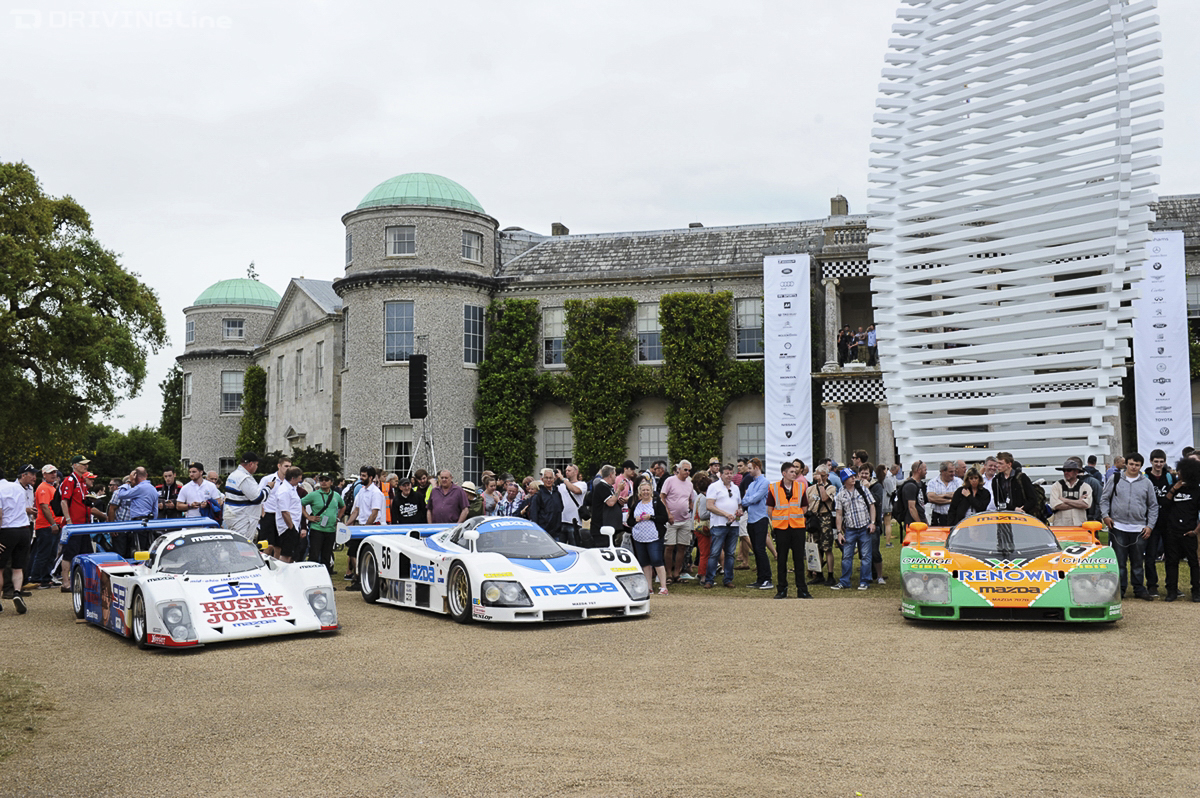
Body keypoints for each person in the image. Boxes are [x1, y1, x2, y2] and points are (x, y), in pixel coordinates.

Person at [1099, 453, 1157, 601]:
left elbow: (1153, 506)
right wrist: (1105, 516)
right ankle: (1120, 589)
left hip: (1139, 528)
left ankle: (1139, 589)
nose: (1133, 467)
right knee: (1119, 561)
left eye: (1137, 465)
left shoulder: (1147, 483)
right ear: (1126, 464)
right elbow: (1104, 499)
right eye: (1131, 464)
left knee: (1138, 562)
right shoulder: (1115, 479)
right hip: (1118, 526)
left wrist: (1150, 526)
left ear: (1141, 466)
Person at [1156, 457, 1199, 602]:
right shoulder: (1173, 487)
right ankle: (1171, 591)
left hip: (1190, 532)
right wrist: (1174, 489)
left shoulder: (1197, 491)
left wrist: (1196, 531)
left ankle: (1196, 591)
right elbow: (1164, 504)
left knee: (1193, 562)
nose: (1178, 473)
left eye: (1181, 471)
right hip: (1172, 532)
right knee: (1171, 562)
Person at [766, 461, 811, 598]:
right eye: (791, 472)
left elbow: (804, 507)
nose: (794, 473)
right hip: (781, 529)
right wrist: (778, 520)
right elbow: (769, 509)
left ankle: (802, 590)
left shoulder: (800, 487)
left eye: (795, 471)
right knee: (782, 560)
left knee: (799, 560)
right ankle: (782, 589)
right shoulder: (773, 488)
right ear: (784, 473)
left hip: (797, 527)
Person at [0, 466, 39, 613]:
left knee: (1, 567)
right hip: (23, 529)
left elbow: (0, 515)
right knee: (18, 567)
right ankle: (17, 592)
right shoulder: (17, 488)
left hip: (7, 529)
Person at [626, 480, 668, 596]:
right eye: (643, 490)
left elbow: (664, 518)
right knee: (644, 562)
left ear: (651, 491)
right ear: (640, 492)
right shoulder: (636, 505)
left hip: (654, 536)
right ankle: (649, 587)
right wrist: (636, 520)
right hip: (639, 537)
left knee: (656, 560)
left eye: (647, 490)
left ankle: (663, 587)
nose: (645, 492)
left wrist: (651, 517)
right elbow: (629, 521)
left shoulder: (656, 503)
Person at [1142, 449, 1174, 598]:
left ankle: (1172, 586)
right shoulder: (1145, 478)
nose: (1159, 464)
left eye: (1161, 461)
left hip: (1168, 522)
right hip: (1151, 522)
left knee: (1171, 556)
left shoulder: (1169, 477)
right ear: (1151, 461)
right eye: (1156, 461)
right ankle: (1152, 585)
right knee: (1150, 556)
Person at [704, 464, 742, 590]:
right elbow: (709, 506)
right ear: (721, 474)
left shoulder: (736, 488)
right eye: (726, 473)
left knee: (730, 553)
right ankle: (709, 579)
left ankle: (728, 579)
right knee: (714, 553)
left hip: (734, 524)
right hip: (719, 524)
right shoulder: (714, 487)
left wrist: (739, 511)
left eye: (731, 473)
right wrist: (725, 514)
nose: (729, 475)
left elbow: (739, 505)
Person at [347, 467, 386, 589]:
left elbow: (374, 513)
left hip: (372, 527)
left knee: (366, 554)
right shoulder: (361, 492)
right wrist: (347, 525)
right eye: (361, 475)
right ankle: (359, 577)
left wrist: (366, 528)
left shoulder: (376, 493)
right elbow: (356, 511)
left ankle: (364, 578)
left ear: (371, 477)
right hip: (361, 527)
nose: (361, 478)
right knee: (352, 552)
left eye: (364, 476)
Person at [302, 473, 345, 579]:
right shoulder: (314, 494)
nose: (324, 482)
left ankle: (325, 579)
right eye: (321, 480)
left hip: (330, 529)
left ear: (331, 482)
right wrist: (308, 516)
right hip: (317, 529)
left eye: (326, 480)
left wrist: (338, 518)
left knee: (326, 556)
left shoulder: (336, 495)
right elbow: (300, 503)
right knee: (314, 555)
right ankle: (312, 578)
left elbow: (343, 506)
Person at [740, 458, 773, 591]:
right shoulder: (752, 484)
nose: (748, 471)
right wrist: (747, 500)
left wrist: (747, 500)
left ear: (757, 467)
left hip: (760, 518)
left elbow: (754, 498)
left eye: (750, 468)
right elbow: (745, 499)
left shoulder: (765, 482)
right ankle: (760, 578)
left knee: (760, 549)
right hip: (751, 519)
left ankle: (767, 578)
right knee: (757, 549)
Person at [659, 460, 694, 585]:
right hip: (671, 520)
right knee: (669, 547)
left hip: (685, 520)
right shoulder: (670, 481)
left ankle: (677, 574)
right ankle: (668, 574)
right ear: (678, 469)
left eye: (689, 470)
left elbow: (690, 499)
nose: (687, 472)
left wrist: (690, 506)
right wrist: (668, 513)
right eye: (685, 469)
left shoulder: (690, 484)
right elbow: (662, 497)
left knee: (682, 547)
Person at [28, 465, 61, 590]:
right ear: (44, 475)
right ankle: (37, 578)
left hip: (52, 524)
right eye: (50, 473)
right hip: (46, 525)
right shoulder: (43, 488)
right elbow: (44, 507)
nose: (53, 475)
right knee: (43, 553)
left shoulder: (50, 487)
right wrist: (53, 523)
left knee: (51, 553)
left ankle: (46, 577)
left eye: (54, 472)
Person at [806, 465, 838, 587]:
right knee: (815, 547)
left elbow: (824, 498)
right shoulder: (810, 489)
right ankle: (818, 574)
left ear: (827, 476)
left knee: (827, 548)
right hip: (813, 518)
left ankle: (830, 575)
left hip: (825, 518)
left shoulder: (831, 488)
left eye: (823, 476)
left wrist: (821, 484)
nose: (820, 477)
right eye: (818, 475)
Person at [223, 452, 265, 541]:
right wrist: (268, 488)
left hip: (234, 515)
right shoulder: (244, 478)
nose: (257, 467)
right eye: (256, 464)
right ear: (251, 464)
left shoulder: (233, 475)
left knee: (234, 543)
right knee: (243, 546)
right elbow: (257, 498)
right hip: (243, 518)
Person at [258, 457, 292, 559]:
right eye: (286, 466)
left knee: (279, 545)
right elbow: (259, 495)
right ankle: (262, 564)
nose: (288, 469)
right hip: (269, 513)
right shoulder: (267, 479)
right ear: (279, 466)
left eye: (290, 467)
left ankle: (277, 567)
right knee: (267, 544)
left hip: (282, 515)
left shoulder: (289, 481)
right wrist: (262, 511)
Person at [992, 452, 1041, 518]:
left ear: (1009, 464)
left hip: (1023, 515)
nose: (997, 465)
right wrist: (1014, 509)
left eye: (1001, 463)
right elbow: (998, 501)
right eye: (997, 463)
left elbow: (1032, 498)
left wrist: (1022, 509)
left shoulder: (1021, 477)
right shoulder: (996, 480)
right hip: (1005, 516)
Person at [273, 466, 305, 563]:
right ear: (293, 478)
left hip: (294, 525)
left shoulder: (292, 489)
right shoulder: (284, 491)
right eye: (299, 478)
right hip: (287, 527)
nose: (300, 481)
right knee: (286, 554)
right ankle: (282, 574)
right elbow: (284, 511)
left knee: (293, 554)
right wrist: (291, 527)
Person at [1049, 457, 1092, 527]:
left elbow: (1086, 505)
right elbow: (1055, 505)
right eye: (1064, 470)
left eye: (1069, 470)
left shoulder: (1085, 487)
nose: (1066, 472)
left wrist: (1064, 500)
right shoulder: (1056, 486)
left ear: (1076, 472)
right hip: (1061, 526)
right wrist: (1078, 502)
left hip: (1080, 526)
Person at [590, 465, 625, 542]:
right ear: (610, 475)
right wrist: (618, 490)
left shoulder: (608, 487)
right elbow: (610, 502)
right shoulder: (601, 487)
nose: (616, 477)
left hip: (608, 527)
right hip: (601, 528)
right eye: (615, 474)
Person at [556, 464, 588, 547]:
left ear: (576, 472)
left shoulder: (582, 484)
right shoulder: (561, 486)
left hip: (574, 522)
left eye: (569, 471)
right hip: (562, 520)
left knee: (574, 547)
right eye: (566, 470)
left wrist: (563, 479)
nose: (567, 472)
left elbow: (575, 490)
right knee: (560, 547)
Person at [527, 469, 565, 539]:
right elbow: (534, 514)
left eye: (550, 478)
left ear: (554, 479)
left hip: (556, 532)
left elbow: (561, 508)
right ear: (542, 479)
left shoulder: (557, 493)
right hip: (543, 532)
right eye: (546, 478)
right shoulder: (538, 495)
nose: (548, 480)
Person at [925, 461, 962, 527]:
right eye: (950, 472)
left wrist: (942, 495)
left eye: (953, 471)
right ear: (943, 471)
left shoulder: (958, 481)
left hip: (954, 517)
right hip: (938, 516)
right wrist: (951, 501)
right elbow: (931, 498)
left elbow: (960, 496)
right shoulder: (933, 482)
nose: (953, 474)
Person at [897, 461, 928, 537]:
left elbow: (920, 505)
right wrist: (919, 524)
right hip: (913, 523)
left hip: (921, 519)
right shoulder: (910, 486)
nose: (926, 472)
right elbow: (912, 507)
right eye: (925, 470)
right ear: (918, 470)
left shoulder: (919, 485)